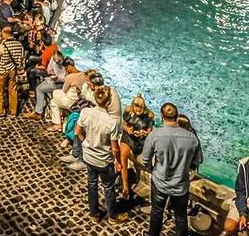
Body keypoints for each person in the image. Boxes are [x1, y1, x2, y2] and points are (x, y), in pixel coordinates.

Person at [141, 102, 203, 236]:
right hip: (181, 184)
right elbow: (198, 161)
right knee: (180, 216)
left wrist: (151, 169)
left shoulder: (155, 135)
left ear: (162, 116)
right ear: (176, 116)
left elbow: (145, 159)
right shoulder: (192, 138)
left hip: (160, 182)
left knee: (157, 211)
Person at [75, 85, 128, 225]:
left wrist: (85, 142)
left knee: (92, 184)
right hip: (104, 160)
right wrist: (118, 162)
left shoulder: (85, 112)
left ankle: (94, 214)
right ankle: (112, 216)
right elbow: (115, 148)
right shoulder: (112, 122)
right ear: (109, 101)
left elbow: (77, 132)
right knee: (108, 187)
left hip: (88, 156)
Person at [119, 94, 154, 200]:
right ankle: (125, 186)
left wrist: (145, 133)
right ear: (133, 106)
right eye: (136, 108)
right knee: (123, 155)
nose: (138, 110)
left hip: (140, 140)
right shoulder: (128, 111)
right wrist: (127, 129)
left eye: (140, 108)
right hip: (128, 138)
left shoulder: (149, 116)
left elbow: (150, 130)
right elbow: (122, 124)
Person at [0, 26, 24, 118]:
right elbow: (21, 58)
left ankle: (0, 111)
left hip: (1, 71)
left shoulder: (1, 46)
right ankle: (13, 112)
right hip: (12, 71)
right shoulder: (19, 45)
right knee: (13, 90)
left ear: (4, 34)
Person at [224, 157, 249, 236]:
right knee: (229, 227)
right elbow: (240, 191)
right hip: (246, 200)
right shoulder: (245, 164)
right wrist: (243, 213)